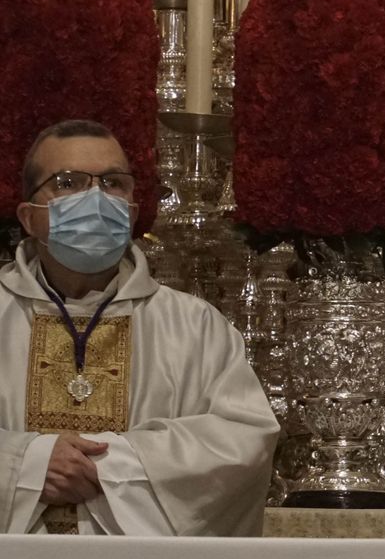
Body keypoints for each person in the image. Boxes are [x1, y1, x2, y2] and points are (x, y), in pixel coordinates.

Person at [1, 120, 278, 535]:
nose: (96, 199)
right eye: (68, 183)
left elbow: (242, 440)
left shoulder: (193, 326)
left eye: (113, 183)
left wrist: (110, 467)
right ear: (29, 217)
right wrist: (28, 464)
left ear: (131, 211)